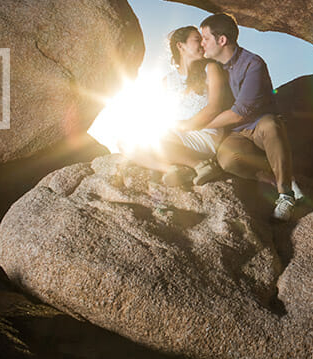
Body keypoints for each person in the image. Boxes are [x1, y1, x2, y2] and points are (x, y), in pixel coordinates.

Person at [198, 13, 300, 221]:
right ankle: (269, 177)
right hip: (235, 134)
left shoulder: (253, 63)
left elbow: (240, 113)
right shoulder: (212, 68)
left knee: (271, 125)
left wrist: (197, 125)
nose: (202, 44)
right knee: (227, 160)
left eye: (205, 38)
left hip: (258, 126)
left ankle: (285, 195)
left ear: (222, 40)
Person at [127, 26, 230, 188]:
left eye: (203, 40)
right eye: (197, 40)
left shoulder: (211, 68)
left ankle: (201, 164)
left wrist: (185, 126)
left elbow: (215, 107)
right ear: (180, 46)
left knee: (149, 141)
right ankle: (176, 168)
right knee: (126, 142)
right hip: (176, 135)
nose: (203, 44)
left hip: (203, 132)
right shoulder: (167, 80)